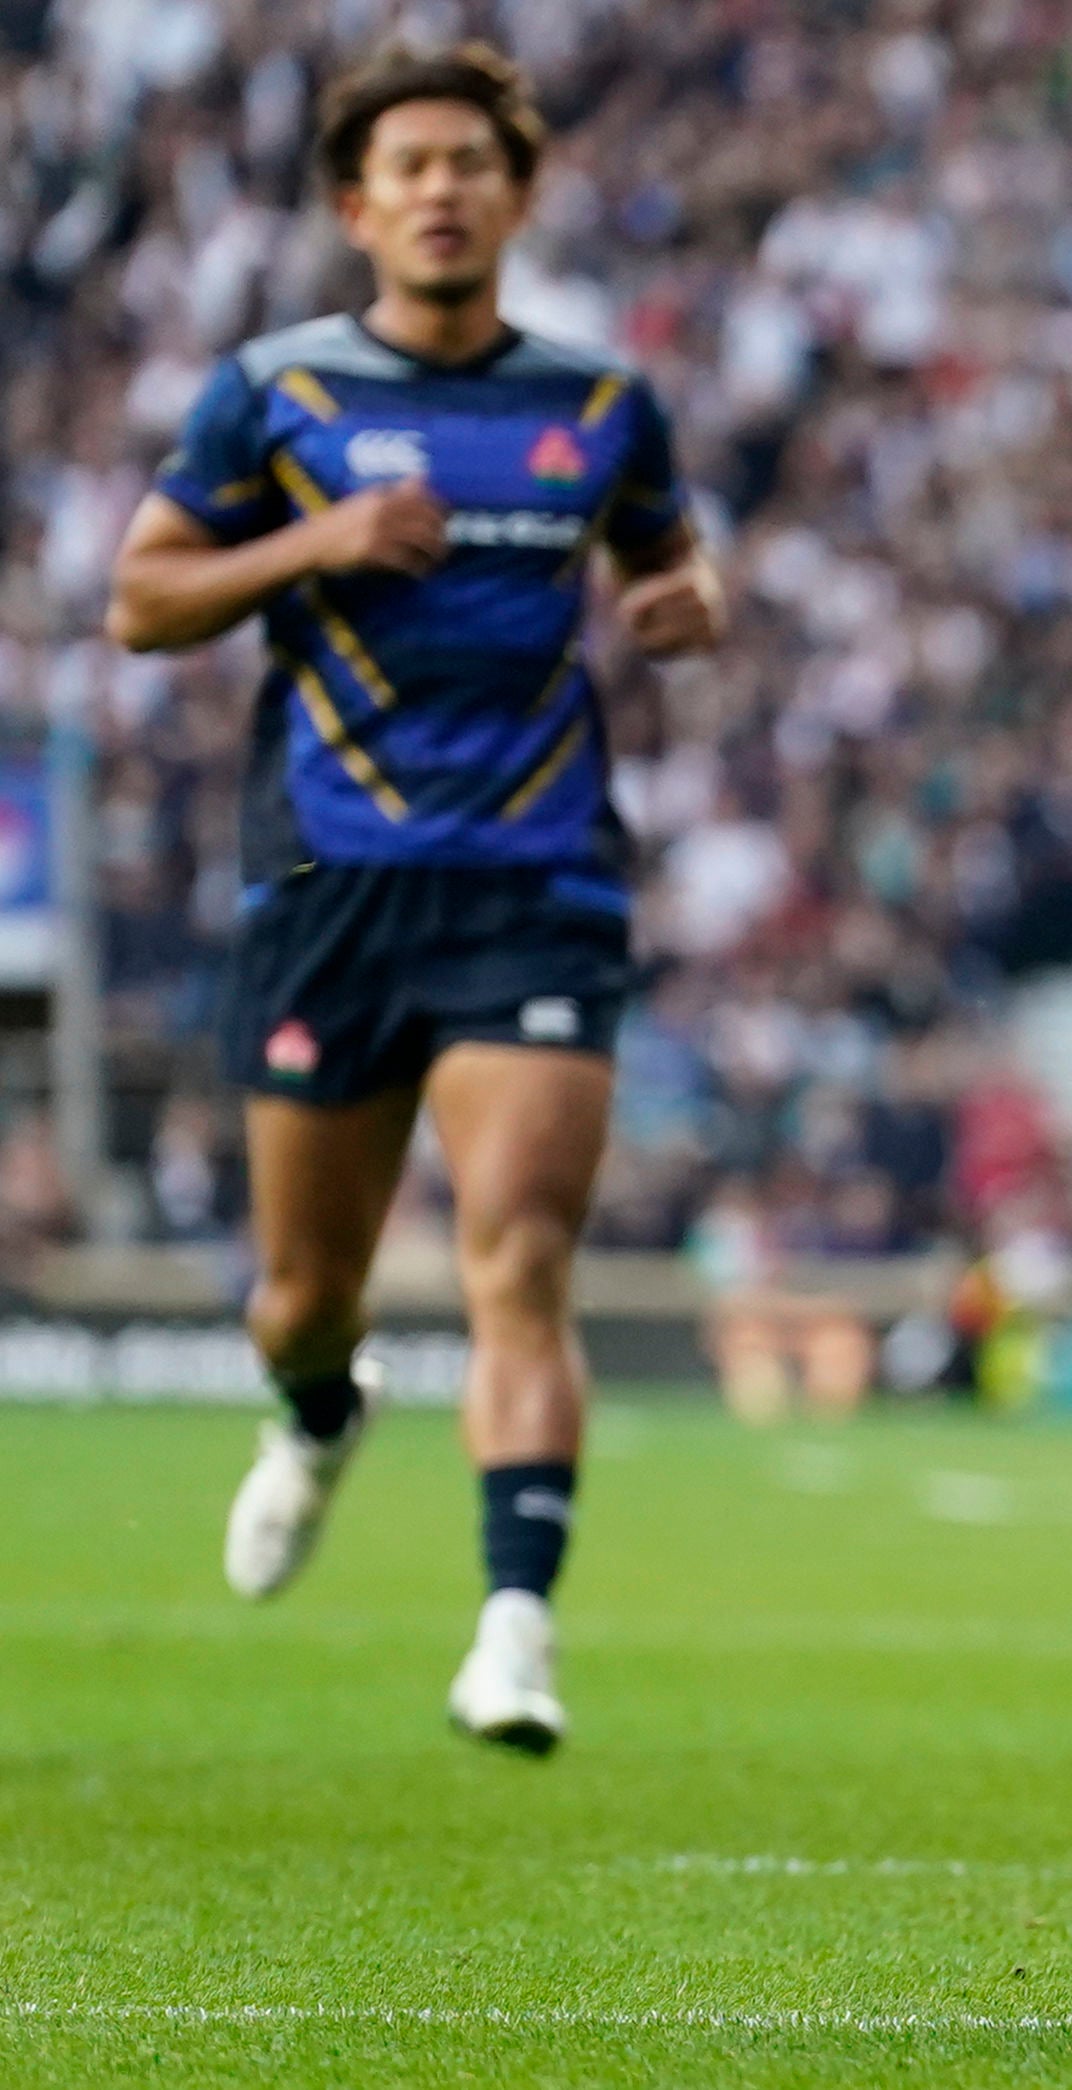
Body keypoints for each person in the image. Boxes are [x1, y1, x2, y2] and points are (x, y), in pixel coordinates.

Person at [104, 42, 725, 1753]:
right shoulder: (275, 393)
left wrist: (687, 601)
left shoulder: (602, 403)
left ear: (519, 196)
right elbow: (141, 601)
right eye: (412, 165)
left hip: (537, 885)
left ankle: (513, 1630)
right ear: (354, 204)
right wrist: (311, 544)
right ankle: (316, 1412)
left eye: (474, 161)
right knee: (305, 1292)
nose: (444, 188)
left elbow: (670, 558)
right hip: (329, 888)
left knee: (519, 1255)